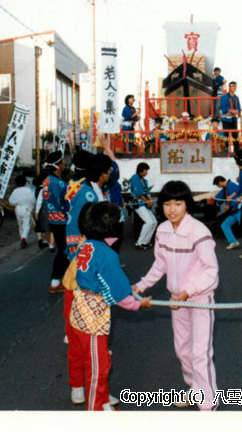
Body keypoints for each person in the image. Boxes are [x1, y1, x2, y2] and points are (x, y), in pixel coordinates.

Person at [133, 180, 219, 411]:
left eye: (178, 204)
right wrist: (141, 285)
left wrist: (188, 290)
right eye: (167, 204)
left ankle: (208, 405)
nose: (172, 209)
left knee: (200, 352)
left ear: (187, 205)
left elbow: (211, 271)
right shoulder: (161, 230)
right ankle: (195, 389)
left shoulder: (199, 232)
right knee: (182, 349)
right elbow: (160, 264)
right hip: (176, 299)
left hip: (199, 299)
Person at [70, 202, 151, 410]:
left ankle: (104, 403)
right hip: (93, 318)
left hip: (80, 309)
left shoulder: (87, 244)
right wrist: (138, 304)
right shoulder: (107, 255)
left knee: (99, 359)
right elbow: (119, 291)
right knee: (99, 367)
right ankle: (95, 411)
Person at [62, 152, 112, 405]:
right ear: (101, 172)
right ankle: (77, 383)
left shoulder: (96, 191)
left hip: (98, 270)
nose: (110, 174)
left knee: (98, 340)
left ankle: (98, 390)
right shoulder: (86, 194)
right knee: (78, 336)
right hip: (82, 270)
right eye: (109, 170)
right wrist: (83, 260)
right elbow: (73, 234)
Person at [43, 151, 69, 292]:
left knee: (63, 250)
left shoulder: (47, 180)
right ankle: (56, 281)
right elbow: (64, 202)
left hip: (52, 218)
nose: (64, 164)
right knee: (64, 251)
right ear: (58, 165)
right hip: (61, 220)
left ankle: (59, 280)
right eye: (62, 162)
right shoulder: (57, 182)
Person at [129, 162, 158, 250]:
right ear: (141, 170)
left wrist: (149, 200)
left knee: (154, 222)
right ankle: (139, 242)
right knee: (149, 222)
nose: (147, 172)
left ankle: (146, 241)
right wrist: (147, 201)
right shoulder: (135, 178)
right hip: (139, 204)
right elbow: (139, 193)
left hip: (145, 205)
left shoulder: (145, 180)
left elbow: (147, 192)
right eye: (146, 170)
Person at [8, 174, 36, 249]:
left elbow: (10, 201)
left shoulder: (15, 191)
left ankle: (22, 239)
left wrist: (16, 203)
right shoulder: (28, 190)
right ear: (25, 182)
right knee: (26, 224)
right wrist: (32, 208)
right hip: (26, 208)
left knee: (20, 225)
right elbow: (32, 200)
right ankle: (24, 237)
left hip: (18, 208)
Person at [213, 175, 240, 250]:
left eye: (218, 185)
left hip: (239, 211)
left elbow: (239, 189)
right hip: (234, 212)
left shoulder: (231, 184)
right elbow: (226, 198)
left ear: (220, 182)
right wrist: (228, 205)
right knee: (225, 225)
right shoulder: (226, 188)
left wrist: (231, 196)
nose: (219, 186)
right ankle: (234, 242)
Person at [219, 81, 241, 151]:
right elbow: (223, 107)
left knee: (235, 136)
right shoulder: (224, 97)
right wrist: (231, 110)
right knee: (226, 136)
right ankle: (226, 150)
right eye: (232, 86)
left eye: (235, 86)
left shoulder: (236, 97)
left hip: (234, 119)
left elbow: (239, 108)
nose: (234, 87)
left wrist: (238, 111)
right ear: (229, 87)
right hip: (226, 119)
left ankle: (236, 151)